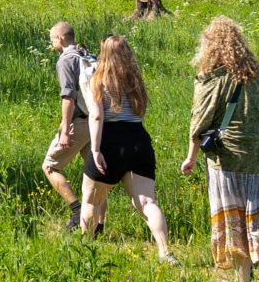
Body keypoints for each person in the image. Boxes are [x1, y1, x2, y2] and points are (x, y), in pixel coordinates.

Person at [180, 15, 259, 282]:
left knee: (233, 217)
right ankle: (245, 275)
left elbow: (198, 123)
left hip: (228, 157)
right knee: (250, 213)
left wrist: (191, 157)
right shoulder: (257, 78)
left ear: (210, 46)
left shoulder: (212, 80)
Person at [80, 34, 177, 263]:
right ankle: (165, 252)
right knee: (147, 202)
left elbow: (96, 116)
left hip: (110, 141)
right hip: (138, 141)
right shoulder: (135, 81)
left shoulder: (97, 80)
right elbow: (140, 112)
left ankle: (84, 251)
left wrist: (96, 150)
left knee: (91, 200)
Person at [42, 22, 90, 229]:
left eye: (52, 39)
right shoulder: (86, 55)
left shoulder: (65, 61)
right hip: (95, 123)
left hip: (78, 123)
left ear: (60, 39)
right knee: (94, 175)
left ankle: (77, 211)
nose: (52, 43)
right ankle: (97, 225)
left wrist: (65, 131)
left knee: (50, 166)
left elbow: (68, 97)